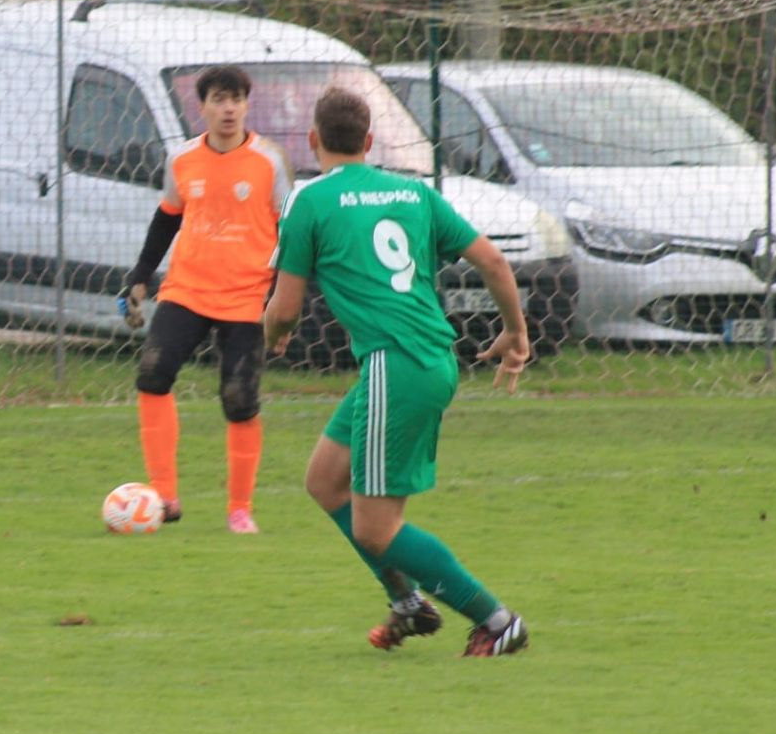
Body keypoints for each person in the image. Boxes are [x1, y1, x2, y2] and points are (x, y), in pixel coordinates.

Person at [263, 86, 531, 657]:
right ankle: (407, 600)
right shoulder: (413, 193)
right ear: (369, 141)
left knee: (375, 528)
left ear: (313, 140)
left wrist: (273, 335)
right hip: (423, 359)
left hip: (396, 363)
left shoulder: (309, 201)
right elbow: (493, 260)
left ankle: (497, 620)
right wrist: (515, 331)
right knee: (324, 480)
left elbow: (284, 309)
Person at [123, 64, 291, 535]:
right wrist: (140, 276)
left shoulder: (269, 161)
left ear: (246, 105)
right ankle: (165, 494)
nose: (229, 108)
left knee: (239, 400)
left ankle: (239, 509)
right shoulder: (182, 160)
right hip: (188, 290)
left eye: (236, 99)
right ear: (202, 108)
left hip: (247, 297)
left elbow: (291, 233)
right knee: (153, 375)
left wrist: (283, 305)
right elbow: (167, 219)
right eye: (219, 99)